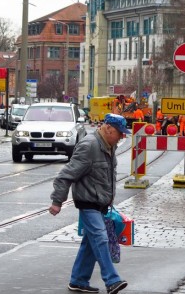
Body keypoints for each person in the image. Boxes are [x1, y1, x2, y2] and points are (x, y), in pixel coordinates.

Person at [49, 113, 129, 294]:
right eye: (119, 133)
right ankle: (112, 280)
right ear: (108, 128)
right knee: (101, 238)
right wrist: (57, 201)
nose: (121, 137)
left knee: (90, 244)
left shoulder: (109, 145)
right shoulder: (89, 145)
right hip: (88, 202)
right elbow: (65, 176)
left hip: (100, 203)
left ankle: (78, 280)